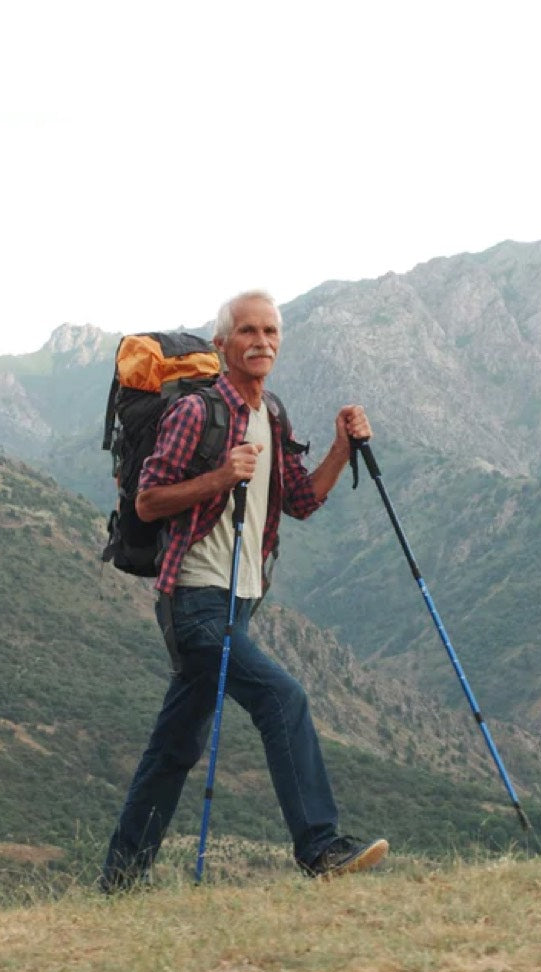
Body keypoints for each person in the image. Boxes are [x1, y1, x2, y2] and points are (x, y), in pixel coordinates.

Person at [101, 289, 388, 891]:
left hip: (239, 603)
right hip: (195, 601)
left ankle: (119, 881)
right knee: (283, 700)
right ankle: (320, 846)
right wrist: (219, 477)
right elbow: (149, 500)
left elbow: (302, 500)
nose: (262, 341)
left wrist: (342, 445)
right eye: (249, 332)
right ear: (222, 344)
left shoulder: (272, 415)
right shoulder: (197, 413)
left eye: (271, 332)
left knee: (174, 748)